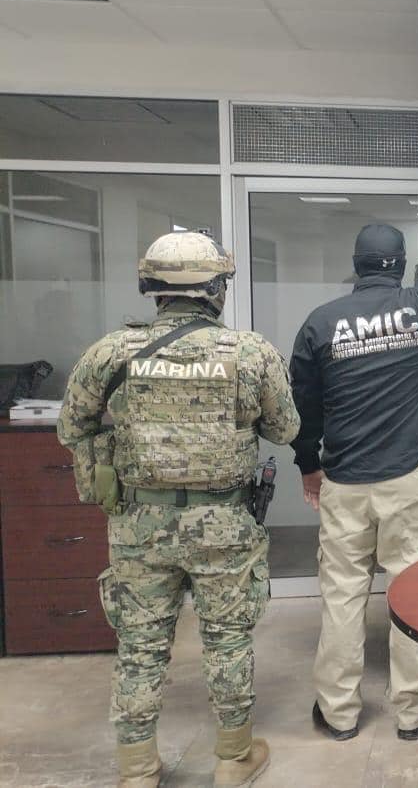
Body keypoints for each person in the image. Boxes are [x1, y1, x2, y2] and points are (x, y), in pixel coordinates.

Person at [57, 232, 300, 788]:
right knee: (228, 640)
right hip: (224, 524)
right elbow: (286, 429)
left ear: (153, 288)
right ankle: (233, 759)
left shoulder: (111, 352)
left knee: (140, 646)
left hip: (139, 525)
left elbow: (72, 427)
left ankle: (138, 770)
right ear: (216, 288)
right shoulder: (250, 353)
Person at [290, 146, 418, 743]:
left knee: (342, 597)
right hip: (408, 480)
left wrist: (308, 466)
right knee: (412, 594)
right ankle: (413, 710)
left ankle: (338, 712)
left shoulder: (321, 323)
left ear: (357, 266)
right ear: (401, 265)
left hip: (344, 482)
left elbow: (303, 408)